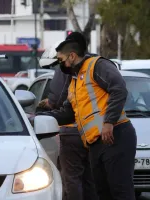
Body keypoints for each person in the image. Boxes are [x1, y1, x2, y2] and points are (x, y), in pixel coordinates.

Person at [35, 32, 137, 200]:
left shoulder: (97, 65)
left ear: (72, 56)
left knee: (120, 192)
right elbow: (68, 113)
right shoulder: (75, 81)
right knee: (102, 193)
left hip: (116, 136)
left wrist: (109, 123)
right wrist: (39, 119)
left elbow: (119, 89)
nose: (61, 65)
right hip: (95, 143)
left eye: (61, 60)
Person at [36, 40, 98, 200]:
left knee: (71, 178)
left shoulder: (63, 71)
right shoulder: (91, 68)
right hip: (92, 132)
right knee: (90, 179)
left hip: (71, 132)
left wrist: (47, 105)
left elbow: (57, 100)